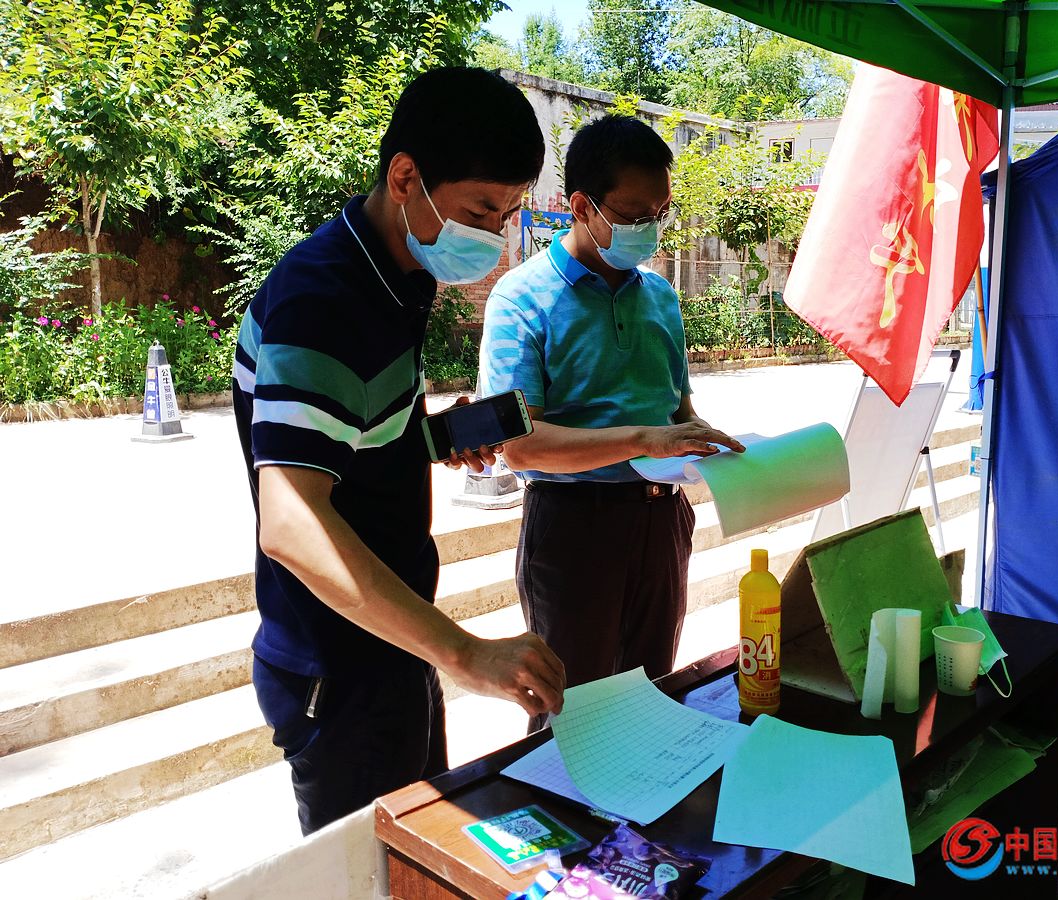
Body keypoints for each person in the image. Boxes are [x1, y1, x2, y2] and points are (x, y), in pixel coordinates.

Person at [233, 67, 565, 835]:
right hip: (338, 664)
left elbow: (349, 435)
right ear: (407, 177)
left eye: (508, 213)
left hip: (394, 634)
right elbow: (290, 522)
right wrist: (466, 654)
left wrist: (433, 437)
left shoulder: (397, 272)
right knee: (380, 870)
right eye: (480, 210)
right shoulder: (324, 301)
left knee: (422, 846)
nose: (494, 234)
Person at [477, 115, 744, 727]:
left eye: (660, 213)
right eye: (632, 214)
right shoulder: (521, 298)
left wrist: (707, 446)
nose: (649, 228)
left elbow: (678, 413)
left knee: (651, 701)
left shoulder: (661, 297)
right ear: (581, 206)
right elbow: (519, 447)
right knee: (570, 716)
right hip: (575, 529)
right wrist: (645, 440)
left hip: (662, 522)